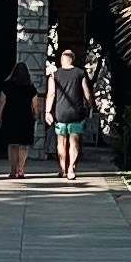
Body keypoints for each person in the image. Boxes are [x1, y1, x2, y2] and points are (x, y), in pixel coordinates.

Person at [43, 44, 98, 178]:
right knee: (74, 141)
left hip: (60, 113)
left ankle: (62, 169)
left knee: (61, 142)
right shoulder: (80, 73)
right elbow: (87, 93)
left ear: (62, 60)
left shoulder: (54, 75)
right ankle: (71, 170)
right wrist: (90, 106)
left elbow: (51, 94)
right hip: (76, 113)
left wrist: (47, 112)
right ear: (72, 60)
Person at [0, 61, 38, 179]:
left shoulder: (7, 86)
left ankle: (12, 171)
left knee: (13, 145)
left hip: (10, 118)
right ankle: (21, 170)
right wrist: (35, 115)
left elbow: (1, 102)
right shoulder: (31, 88)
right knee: (23, 146)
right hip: (26, 119)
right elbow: (35, 105)